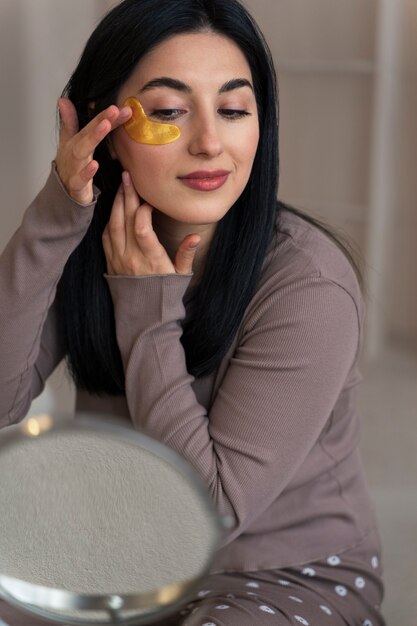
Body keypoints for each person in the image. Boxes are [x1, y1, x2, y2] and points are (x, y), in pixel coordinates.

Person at [0, 0, 386, 624]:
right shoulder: (79, 239)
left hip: (277, 578)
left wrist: (147, 311)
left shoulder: (308, 284)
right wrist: (54, 215)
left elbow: (209, 511)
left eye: (234, 110)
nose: (211, 142)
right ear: (102, 128)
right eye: (171, 111)